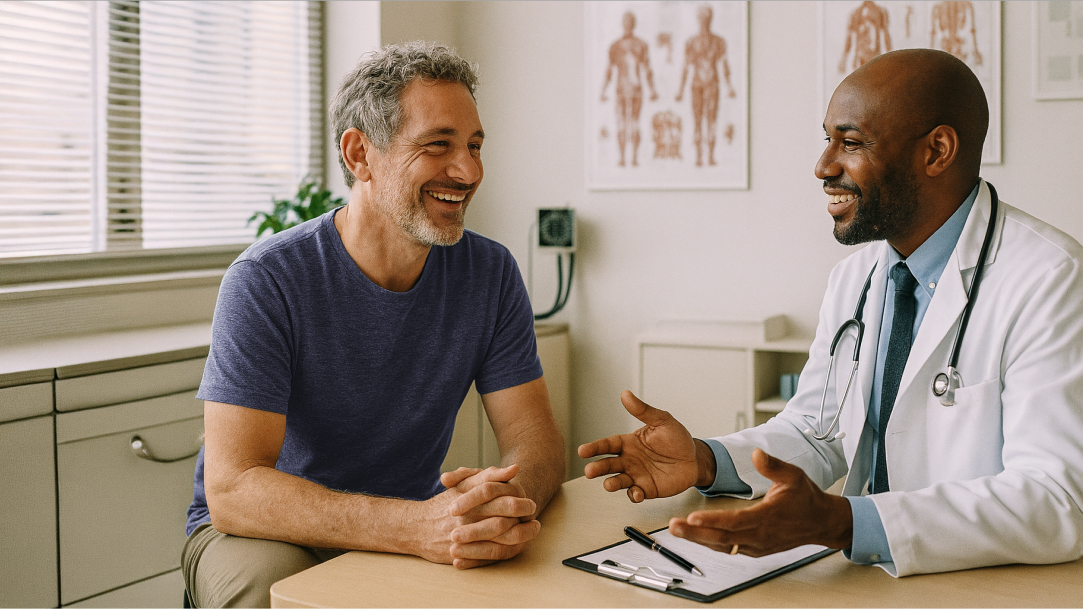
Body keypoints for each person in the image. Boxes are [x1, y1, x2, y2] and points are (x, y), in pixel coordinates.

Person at [580, 48, 1083, 577]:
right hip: (867, 580)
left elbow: (1056, 498)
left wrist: (846, 522)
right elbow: (818, 433)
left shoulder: (1050, 278)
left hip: (986, 588)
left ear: (936, 151)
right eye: (828, 140)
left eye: (851, 143)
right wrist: (705, 461)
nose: (824, 167)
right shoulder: (858, 277)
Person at [182, 41, 565, 609]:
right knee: (274, 592)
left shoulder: (491, 273)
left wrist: (501, 506)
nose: (468, 171)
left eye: (475, 146)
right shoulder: (265, 280)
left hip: (412, 524)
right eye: (439, 146)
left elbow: (535, 442)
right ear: (361, 155)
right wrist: (418, 527)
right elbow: (235, 490)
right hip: (263, 532)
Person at [675, 5, 736, 167]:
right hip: (696, 85)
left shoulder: (719, 42)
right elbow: (686, 67)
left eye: (706, 17)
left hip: (712, 84)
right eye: (701, 17)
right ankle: (698, 157)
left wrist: (729, 85)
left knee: (711, 120)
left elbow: (724, 64)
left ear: (710, 19)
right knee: (697, 121)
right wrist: (680, 90)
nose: (704, 20)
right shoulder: (691, 42)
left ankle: (710, 156)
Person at [600, 11, 659, 167]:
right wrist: (603, 90)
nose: (628, 24)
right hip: (626, 88)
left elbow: (647, 69)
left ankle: (631, 158)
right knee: (626, 123)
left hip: (632, 89)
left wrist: (652, 89)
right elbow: (609, 71)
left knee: (630, 123)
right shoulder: (618, 46)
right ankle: (626, 158)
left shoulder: (633, 45)